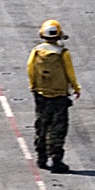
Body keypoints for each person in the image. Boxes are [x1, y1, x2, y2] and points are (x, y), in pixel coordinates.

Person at [27, 19, 81, 173]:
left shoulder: (36, 51)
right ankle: (56, 159)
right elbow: (70, 72)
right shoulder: (63, 53)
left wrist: (34, 87)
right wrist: (75, 87)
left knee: (42, 124)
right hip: (59, 95)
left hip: (41, 93)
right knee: (58, 126)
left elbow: (30, 68)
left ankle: (41, 157)